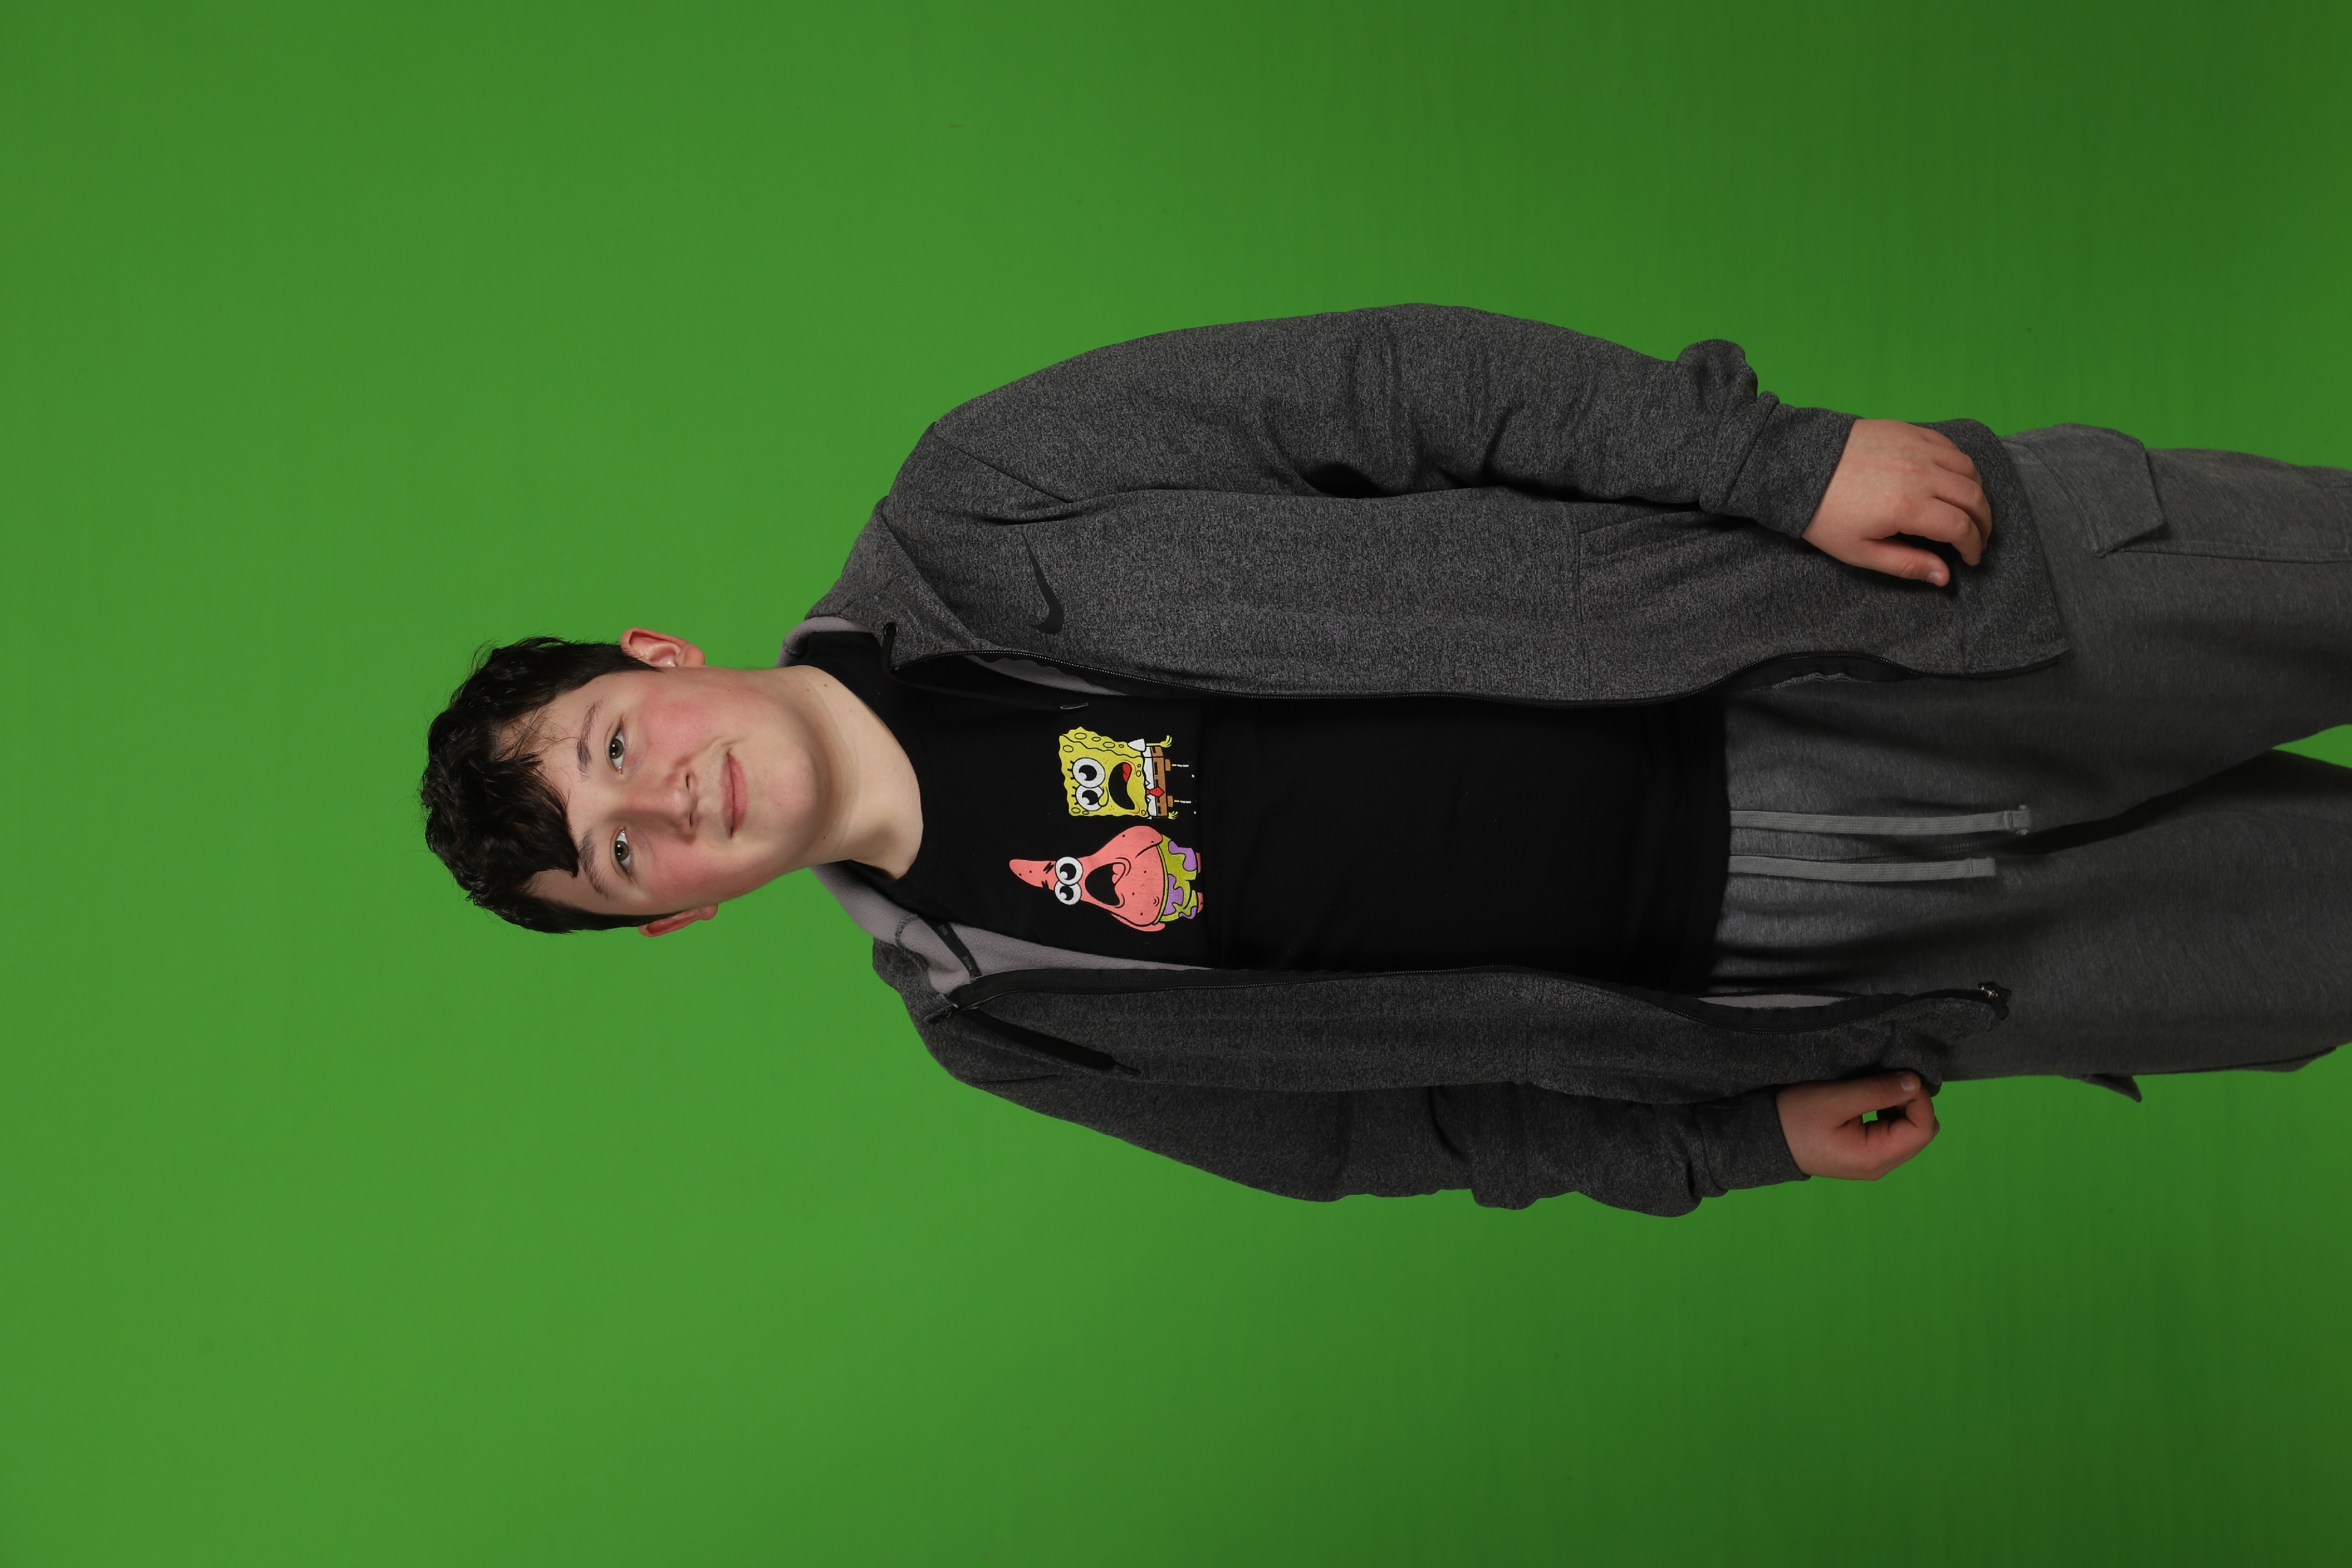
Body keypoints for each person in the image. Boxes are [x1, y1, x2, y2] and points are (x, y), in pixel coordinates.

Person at [420, 306, 2352, 1216]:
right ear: (668, 919)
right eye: (619, 852)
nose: (662, 800)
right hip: (1835, 970)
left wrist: (1777, 464)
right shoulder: (1003, 1019)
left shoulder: (984, 499)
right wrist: (1726, 1144)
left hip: (1860, 637)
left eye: (615, 742)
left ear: (658, 656)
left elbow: (1397, 389)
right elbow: (1399, 1131)